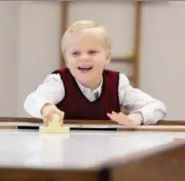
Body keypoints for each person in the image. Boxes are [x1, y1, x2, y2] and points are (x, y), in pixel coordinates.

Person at [24, 20, 167, 126]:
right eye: (75, 53)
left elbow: (158, 106)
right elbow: (34, 99)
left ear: (107, 57)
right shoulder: (58, 81)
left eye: (92, 52)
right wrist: (47, 108)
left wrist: (136, 118)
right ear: (66, 61)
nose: (84, 58)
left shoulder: (118, 84)